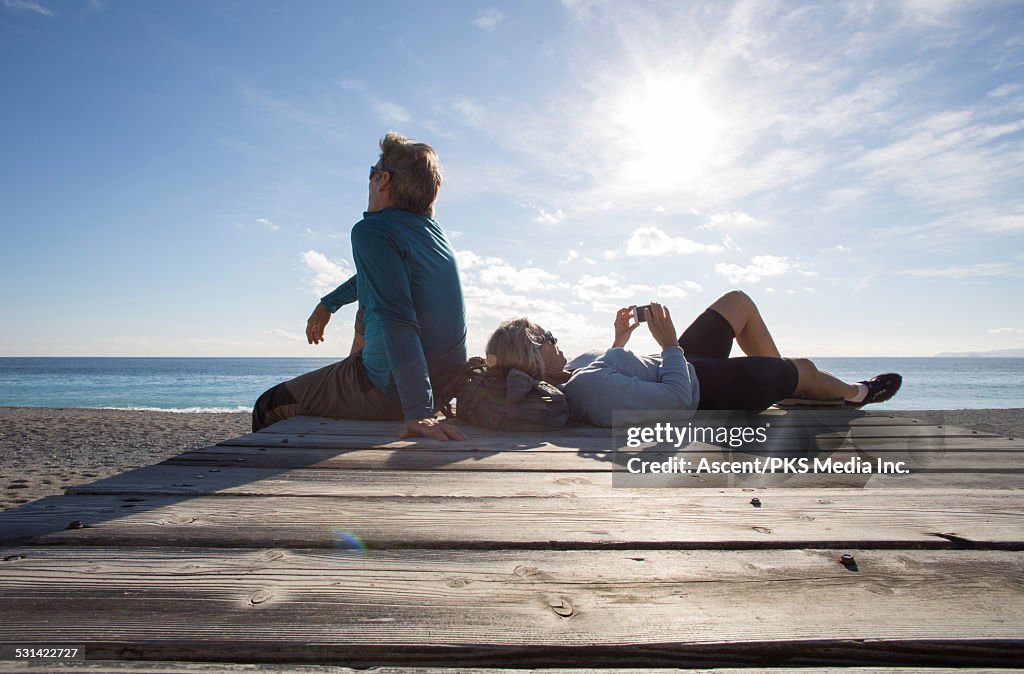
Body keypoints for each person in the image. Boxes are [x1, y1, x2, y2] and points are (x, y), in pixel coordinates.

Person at [252, 132, 467, 441]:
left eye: (370, 174)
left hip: (393, 392)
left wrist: (419, 410)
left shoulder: (372, 230)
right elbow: (377, 278)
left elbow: (398, 319)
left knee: (269, 405)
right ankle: (357, 373)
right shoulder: (432, 233)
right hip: (444, 385)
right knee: (369, 306)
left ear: (383, 180)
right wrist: (329, 303)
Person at [486, 291, 901, 426]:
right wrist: (668, 345)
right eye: (547, 337)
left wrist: (619, 341)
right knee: (806, 368)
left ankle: (779, 381)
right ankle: (854, 393)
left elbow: (622, 375)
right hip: (705, 388)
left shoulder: (575, 371)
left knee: (737, 303)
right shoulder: (587, 390)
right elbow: (675, 403)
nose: (556, 340)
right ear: (532, 354)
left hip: (687, 366)